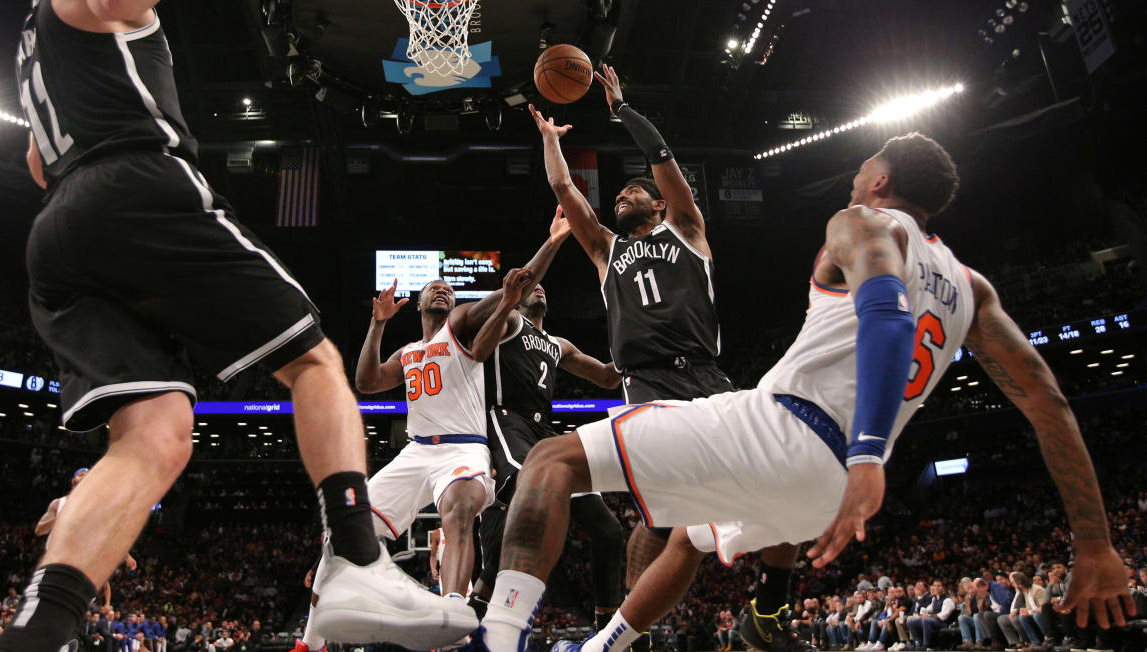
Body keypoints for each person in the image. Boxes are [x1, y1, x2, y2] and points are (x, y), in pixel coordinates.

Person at [4, 0, 473, 652]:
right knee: (315, 359)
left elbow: (37, 162)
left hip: (59, 231)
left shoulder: (30, 46)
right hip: (133, 186)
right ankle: (357, 564)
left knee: (152, 434)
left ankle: (37, 633)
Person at [476, 132, 1135, 652]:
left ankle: (498, 637)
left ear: (880, 180)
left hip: (800, 438)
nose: (856, 174)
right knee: (688, 539)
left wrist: (870, 453)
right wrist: (1097, 545)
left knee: (551, 460)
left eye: (865, 165)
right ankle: (637, 636)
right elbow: (1046, 401)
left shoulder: (860, 221)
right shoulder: (971, 286)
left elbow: (886, 314)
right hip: (823, 498)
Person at [526, 66, 799, 652]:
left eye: (633, 191)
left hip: (710, 379)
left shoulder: (688, 230)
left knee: (783, 476)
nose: (623, 194)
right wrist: (552, 143)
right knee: (659, 522)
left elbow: (662, 156)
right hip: (646, 386)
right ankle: (633, 639)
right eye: (619, 193)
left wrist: (622, 108)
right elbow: (566, 193)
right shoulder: (605, 251)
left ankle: (770, 608)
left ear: (657, 203)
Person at [295, 216, 570, 652]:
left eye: (447, 288)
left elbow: (516, 284)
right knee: (342, 529)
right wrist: (378, 323)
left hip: (464, 449)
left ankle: (453, 613)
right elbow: (366, 382)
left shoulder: (460, 325)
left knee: (458, 509)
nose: (441, 289)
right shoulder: (408, 352)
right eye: (433, 289)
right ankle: (310, 642)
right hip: (415, 453)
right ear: (419, 304)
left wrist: (551, 243)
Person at [469, 280, 624, 627]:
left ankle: (606, 625)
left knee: (609, 530)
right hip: (507, 420)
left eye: (543, 286)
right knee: (529, 503)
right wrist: (512, 293)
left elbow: (606, 377)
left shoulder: (558, 344)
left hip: (545, 434)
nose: (539, 288)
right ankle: (477, 605)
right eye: (532, 286)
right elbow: (480, 333)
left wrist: (633, 341)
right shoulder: (509, 322)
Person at [36, 468, 138, 610]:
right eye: (82, 476)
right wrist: (57, 518)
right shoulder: (58, 504)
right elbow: (39, 530)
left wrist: (126, 555)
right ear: (74, 482)